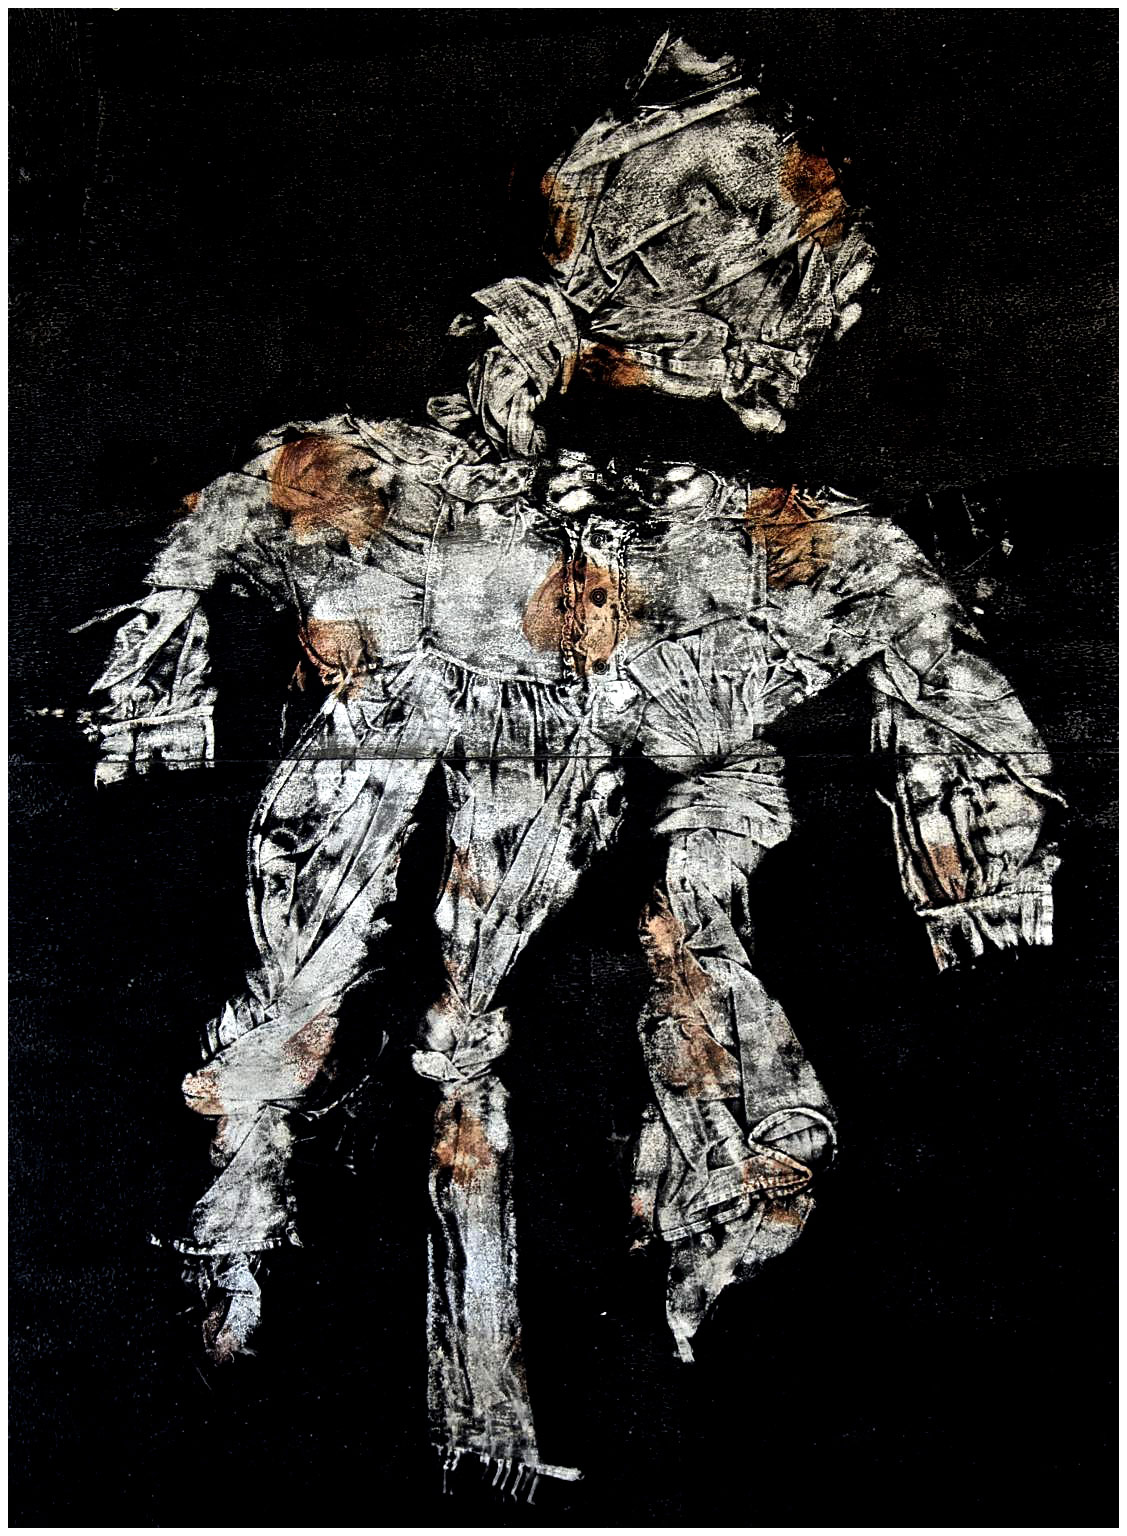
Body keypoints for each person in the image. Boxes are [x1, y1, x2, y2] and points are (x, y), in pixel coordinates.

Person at [77, 33, 1059, 1495]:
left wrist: (969, 881)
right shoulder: (385, 480)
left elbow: (937, 682)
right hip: (381, 990)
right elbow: (186, 581)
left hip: (591, 996)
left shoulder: (791, 541)